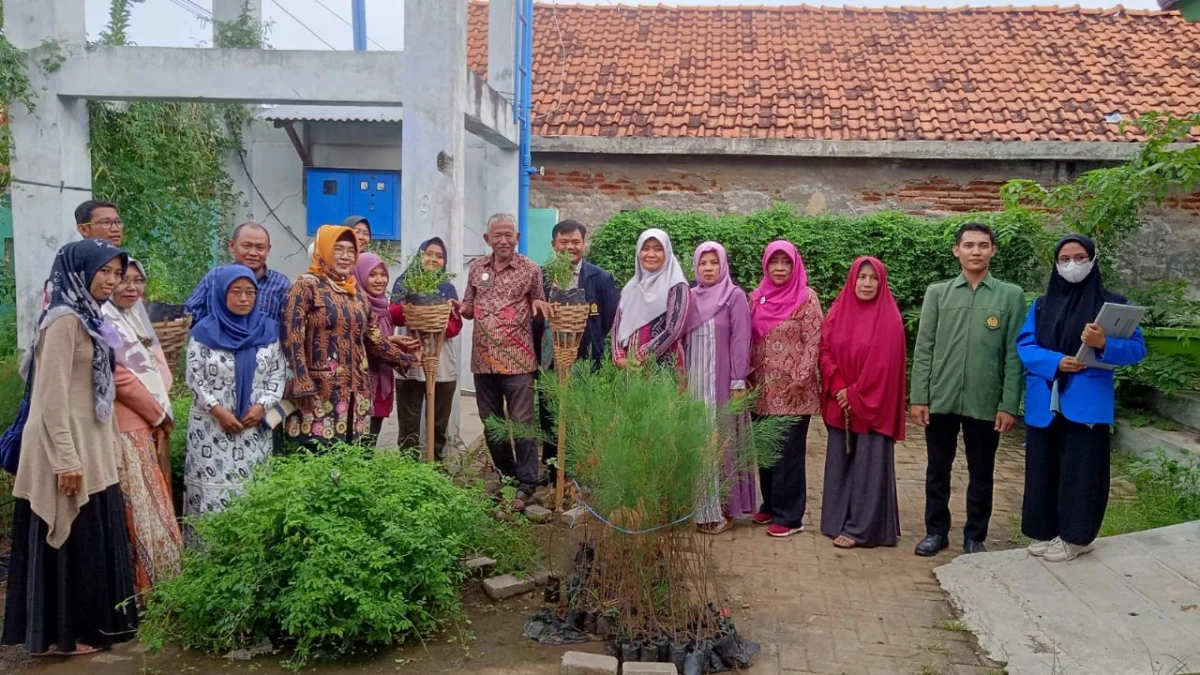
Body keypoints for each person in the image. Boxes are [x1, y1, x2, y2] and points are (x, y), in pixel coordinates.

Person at [2, 239, 138, 655]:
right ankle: (65, 637)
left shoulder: (93, 318)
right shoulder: (63, 321)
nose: (112, 281)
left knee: (90, 544)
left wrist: (111, 448)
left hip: (92, 450)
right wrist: (65, 460)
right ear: (80, 271)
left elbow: (99, 393)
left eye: (117, 273)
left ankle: (86, 631)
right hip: (65, 452)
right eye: (105, 272)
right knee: (72, 546)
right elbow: (49, 401)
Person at [1017, 234, 1145, 562]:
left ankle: (1076, 538)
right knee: (1043, 468)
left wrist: (1104, 343)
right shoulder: (1042, 305)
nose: (1071, 264)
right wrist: (1055, 362)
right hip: (1046, 399)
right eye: (1064, 259)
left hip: (1086, 403)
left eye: (1079, 257)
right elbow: (1025, 346)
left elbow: (1136, 349)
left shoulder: (1114, 306)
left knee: (1082, 471)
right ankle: (1045, 531)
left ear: (1092, 259)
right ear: (1055, 264)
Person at [910, 222, 1026, 557]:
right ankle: (936, 531)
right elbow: (925, 348)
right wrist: (919, 397)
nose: (976, 251)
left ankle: (975, 535)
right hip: (941, 399)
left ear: (993, 251)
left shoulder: (1010, 295)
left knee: (981, 472)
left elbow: (1013, 355)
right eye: (969, 245)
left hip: (986, 402)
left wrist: (1008, 404)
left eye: (983, 245)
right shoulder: (939, 293)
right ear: (956, 251)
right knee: (937, 469)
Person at [281, 226, 420, 449]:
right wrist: (301, 380)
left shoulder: (356, 295)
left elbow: (374, 340)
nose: (346, 256)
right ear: (323, 250)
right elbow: (291, 336)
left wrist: (408, 359)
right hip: (317, 392)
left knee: (348, 460)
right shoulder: (305, 286)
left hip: (355, 394)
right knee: (314, 459)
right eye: (338, 249)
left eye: (351, 251)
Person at [184, 265, 287, 545]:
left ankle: (249, 559)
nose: (244, 298)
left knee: (253, 492)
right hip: (211, 429)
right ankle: (207, 563)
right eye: (236, 292)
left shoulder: (268, 329)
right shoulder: (204, 332)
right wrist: (217, 410)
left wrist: (262, 406)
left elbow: (278, 374)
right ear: (220, 293)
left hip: (254, 427)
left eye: (250, 292)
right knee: (213, 496)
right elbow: (194, 378)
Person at [460, 214, 552, 510]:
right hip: (483, 360)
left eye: (508, 234)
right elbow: (469, 308)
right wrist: (457, 308)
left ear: (518, 237)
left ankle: (527, 481)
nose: (503, 240)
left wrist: (539, 309)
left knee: (521, 423)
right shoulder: (476, 269)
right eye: (497, 235)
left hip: (518, 360)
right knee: (491, 424)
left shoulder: (531, 270)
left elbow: (539, 305)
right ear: (487, 239)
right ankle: (507, 475)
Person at [102, 259, 184, 593]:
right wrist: (157, 414)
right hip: (126, 426)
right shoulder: (105, 319)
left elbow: (157, 366)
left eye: (139, 280)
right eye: (123, 279)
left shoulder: (135, 316)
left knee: (154, 502)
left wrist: (162, 411)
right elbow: (120, 377)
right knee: (135, 508)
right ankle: (138, 589)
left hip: (149, 422)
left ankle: (161, 584)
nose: (132, 287)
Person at [818, 257, 906, 549]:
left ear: (881, 283)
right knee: (840, 463)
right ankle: (837, 521)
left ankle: (861, 528)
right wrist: (840, 386)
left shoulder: (889, 318)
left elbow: (885, 365)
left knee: (869, 464)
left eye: (873, 278)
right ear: (852, 280)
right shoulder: (837, 311)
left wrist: (855, 394)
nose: (867, 283)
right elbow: (825, 350)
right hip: (841, 400)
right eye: (862, 277)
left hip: (872, 405)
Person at [748, 241, 823, 538]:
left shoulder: (807, 298)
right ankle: (770, 504)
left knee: (788, 453)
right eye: (774, 262)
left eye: (785, 262)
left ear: (795, 265)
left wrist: (801, 378)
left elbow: (814, 339)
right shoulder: (757, 297)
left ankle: (790, 516)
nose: (780, 268)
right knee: (765, 448)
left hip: (793, 390)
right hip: (761, 387)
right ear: (766, 265)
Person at [531, 219, 618, 478]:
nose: (570, 246)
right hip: (549, 355)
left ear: (584, 244)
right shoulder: (542, 275)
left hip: (583, 356)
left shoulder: (600, 278)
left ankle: (577, 471)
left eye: (575, 242)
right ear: (553, 245)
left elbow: (608, 318)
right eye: (564, 241)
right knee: (549, 411)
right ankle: (551, 469)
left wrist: (586, 341)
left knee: (581, 412)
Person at [682, 242, 753, 535]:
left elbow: (741, 339)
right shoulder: (688, 296)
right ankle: (698, 508)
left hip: (721, 383)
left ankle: (722, 509)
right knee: (696, 441)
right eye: (703, 263)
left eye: (713, 262)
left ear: (723, 265)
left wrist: (738, 381)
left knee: (721, 442)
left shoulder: (734, 296)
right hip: (693, 383)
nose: (708, 268)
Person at [390, 237, 464, 458]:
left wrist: (432, 319)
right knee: (409, 422)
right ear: (420, 256)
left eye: (439, 255)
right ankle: (408, 470)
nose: (433, 259)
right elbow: (393, 313)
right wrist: (415, 313)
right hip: (410, 355)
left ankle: (437, 466)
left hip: (440, 359)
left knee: (438, 421)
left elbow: (454, 326)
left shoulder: (448, 288)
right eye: (429, 253)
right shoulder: (404, 282)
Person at [612, 228, 690, 371]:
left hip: (664, 369)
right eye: (645, 249)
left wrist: (643, 355)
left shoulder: (676, 285)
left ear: (667, 252)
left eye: (658, 249)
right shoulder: (631, 288)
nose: (651, 254)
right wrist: (619, 357)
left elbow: (674, 329)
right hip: (629, 370)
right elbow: (617, 325)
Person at [185, 222, 291, 326]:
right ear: (232, 246)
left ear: (268, 250)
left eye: (260, 248)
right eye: (247, 246)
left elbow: (289, 324)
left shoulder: (280, 283)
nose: (253, 253)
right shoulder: (215, 277)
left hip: (263, 343)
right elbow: (190, 314)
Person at [353, 251, 399, 446]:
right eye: (372, 275)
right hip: (362, 385)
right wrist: (396, 348)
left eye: (383, 274)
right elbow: (370, 344)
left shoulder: (384, 307)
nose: (379, 280)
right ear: (360, 276)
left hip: (382, 383)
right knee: (358, 443)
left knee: (370, 443)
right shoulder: (356, 306)